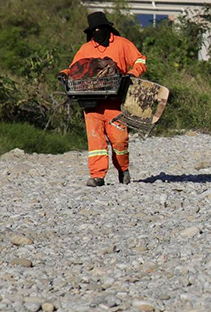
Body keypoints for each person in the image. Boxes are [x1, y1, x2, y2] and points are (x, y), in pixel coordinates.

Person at [61, 12, 147, 187]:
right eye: (95, 30)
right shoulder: (86, 48)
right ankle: (97, 176)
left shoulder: (122, 44)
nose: (98, 32)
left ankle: (123, 169)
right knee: (96, 141)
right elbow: (75, 68)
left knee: (120, 140)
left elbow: (140, 60)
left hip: (116, 102)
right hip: (92, 103)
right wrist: (65, 73)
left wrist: (132, 73)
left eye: (101, 29)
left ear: (108, 28)